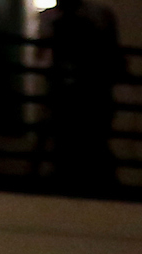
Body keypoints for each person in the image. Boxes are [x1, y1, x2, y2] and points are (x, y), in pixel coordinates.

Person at [37, 0, 125, 192]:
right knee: (69, 144)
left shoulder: (97, 15)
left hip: (90, 93)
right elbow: (42, 55)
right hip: (72, 94)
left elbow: (112, 52)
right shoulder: (50, 18)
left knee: (89, 143)